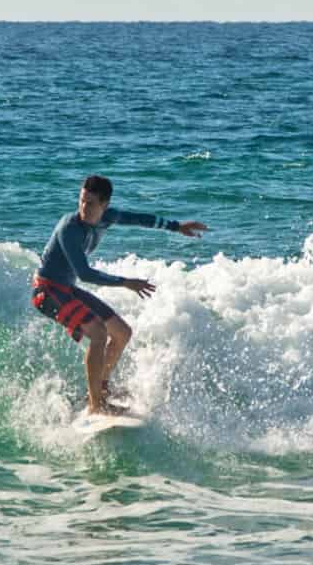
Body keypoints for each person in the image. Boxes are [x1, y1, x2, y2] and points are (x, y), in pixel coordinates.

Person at [31, 175, 206, 415]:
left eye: (90, 203)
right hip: (47, 290)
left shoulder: (107, 218)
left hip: (67, 289)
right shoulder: (69, 228)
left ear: (104, 205)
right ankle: (95, 406)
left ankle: (100, 389)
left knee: (122, 333)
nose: (83, 208)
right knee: (98, 334)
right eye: (81, 201)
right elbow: (84, 274)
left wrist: (176, 226)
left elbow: (137, 219)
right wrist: (125, 282)